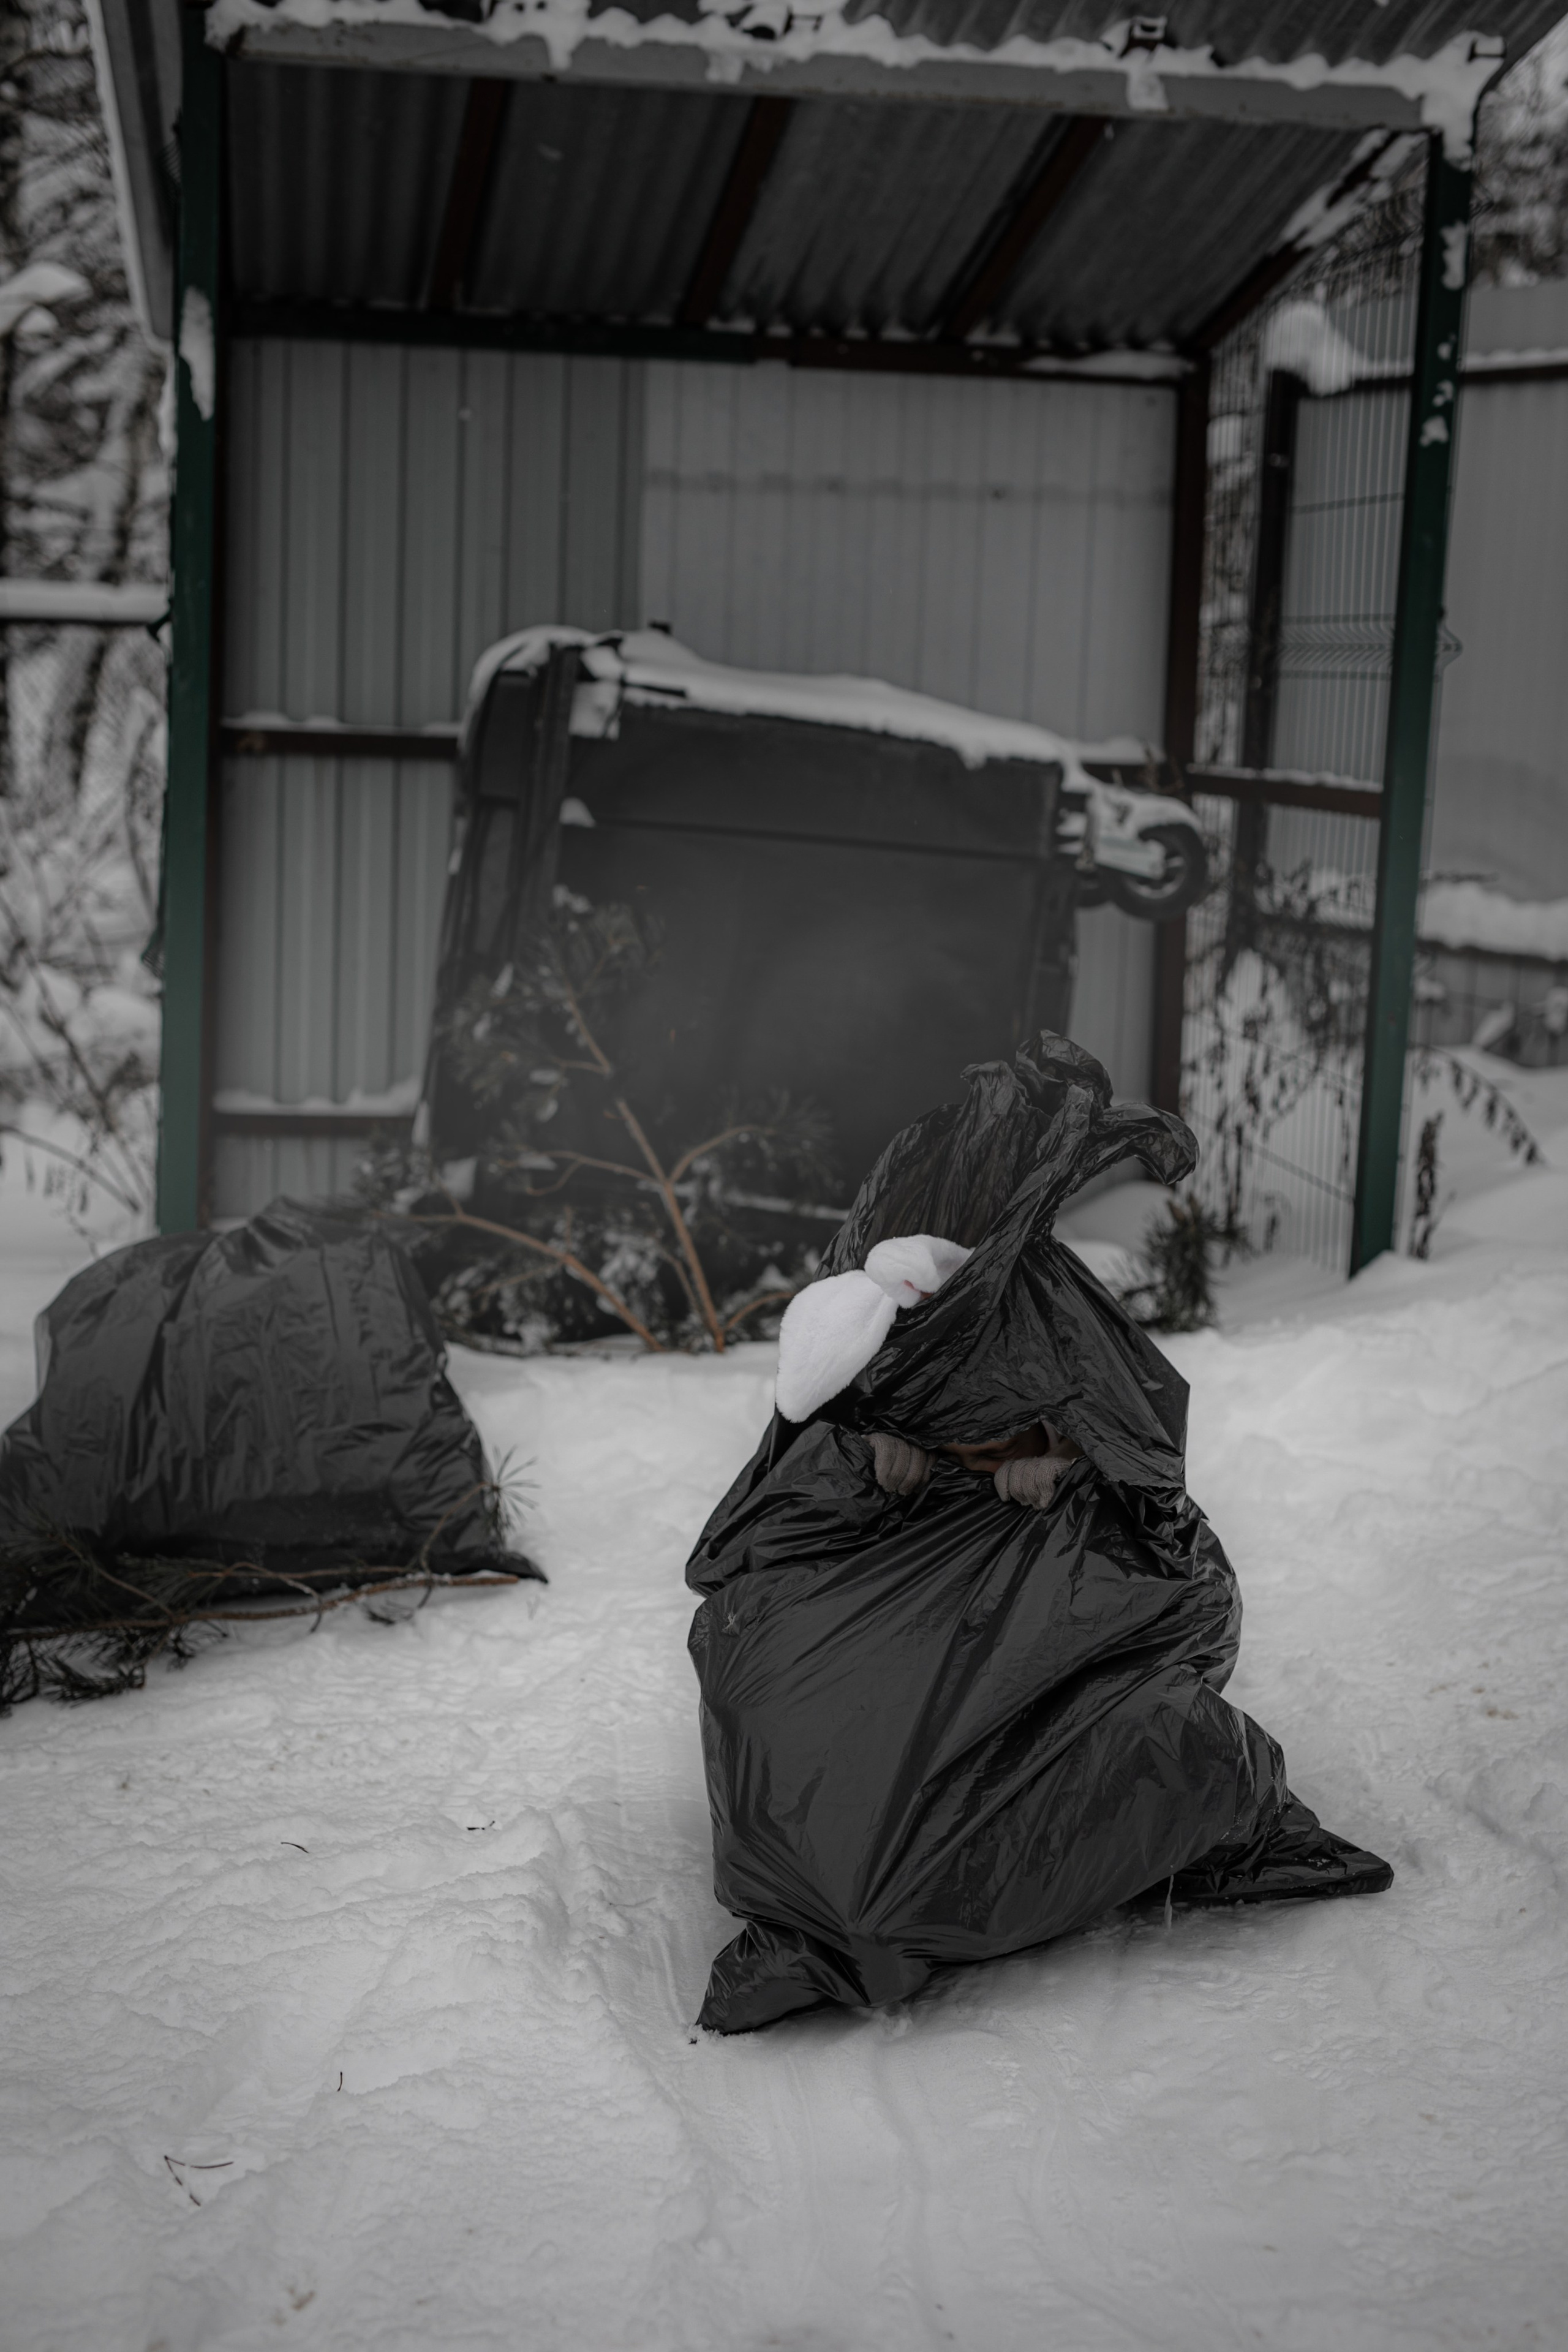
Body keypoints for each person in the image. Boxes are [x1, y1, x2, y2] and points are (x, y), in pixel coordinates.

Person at [686, 1034, 1392, 2035]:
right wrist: (881, 1449)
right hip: (925, 1568)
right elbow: (775, 1509)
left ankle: (871, 1899)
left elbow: (1139, 1471)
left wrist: (1056, 1460)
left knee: (1099, 1738)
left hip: (1049, 1583)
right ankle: (840, 1886)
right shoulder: (896, 1351)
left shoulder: (1040, 1327)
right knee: (780, 1671)